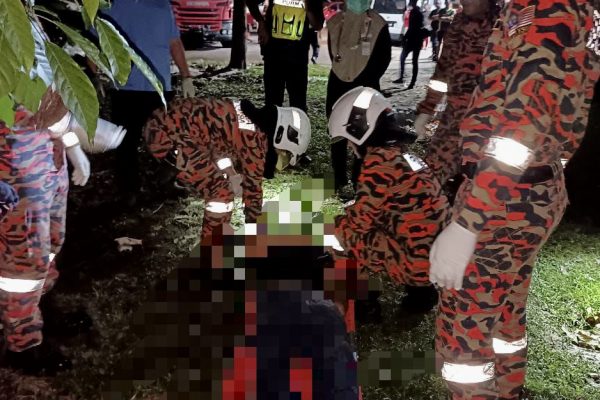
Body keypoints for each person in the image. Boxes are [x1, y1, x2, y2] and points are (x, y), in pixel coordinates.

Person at [429, 0, 600, 398]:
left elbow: (522, 126)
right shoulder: (561, 8)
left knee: (465, 337)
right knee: (505, 313)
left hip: (504, 198)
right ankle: (509, 389)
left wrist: (469, 222)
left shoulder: (548, 8)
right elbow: (570, 112)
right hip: (525, 189)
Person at [329, 87, 450, 317]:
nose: (350, 148)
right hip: (436, 256)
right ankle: (421, 294)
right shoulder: (403, 155)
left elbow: (359, 224)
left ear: (359, 130)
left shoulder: (379, 164)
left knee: (341, 234)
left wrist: (338, 222)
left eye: (349, 140)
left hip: (417, 263)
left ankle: (364, 302)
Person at [0, 90, 91, 375]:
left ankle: (40, 311)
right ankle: (22, 343)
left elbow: (56, 101)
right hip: (16, 169)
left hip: (51, 161)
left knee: (49, 248)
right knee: (22, 268)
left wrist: (73, 147)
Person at [143, 97, 311, 238]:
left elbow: (217, 147)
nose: (280, 161)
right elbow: (253, 192)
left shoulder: (246, 117)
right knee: (221, 193)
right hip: (168, 137)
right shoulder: (257, 140)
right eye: (284, 155)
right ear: (281, 135)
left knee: (219, 180)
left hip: (160, 126)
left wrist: (230, 173)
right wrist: (256, 228)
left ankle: (155, 180)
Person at [98, 0, 196, 208]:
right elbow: (175, 43)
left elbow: (96, 44)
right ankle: (154, 184)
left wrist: (97, 76)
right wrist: (186, 76)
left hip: (131, 88)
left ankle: (133, 189)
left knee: (128, 143)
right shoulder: (157, 6)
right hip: (152, 87)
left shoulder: (112, 7)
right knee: (162, 138)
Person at [414, 0, 499, 202]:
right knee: (428, 181)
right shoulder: (458, 22)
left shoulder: (504, 24)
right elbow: (443, 71)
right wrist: (426, 110)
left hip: (488, 125)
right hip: (453, 120)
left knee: (478, 192)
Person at [326, 0, 392, 193]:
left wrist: (366, 79)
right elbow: (334, 54)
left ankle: (358, 179)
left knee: (364, 131)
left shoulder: (378, 24)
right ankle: (339, 178)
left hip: (365, 86)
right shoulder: (335, 22)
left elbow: (383, 58)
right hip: (338, 84)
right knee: (337, 129)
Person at [247, 0, 325, 111]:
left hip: (298, 59)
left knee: (298, 106)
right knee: (272, 106)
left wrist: (307, 5)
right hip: (273, 56)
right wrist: (261, 22)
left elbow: (318, 25)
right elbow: (250, 2)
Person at [393, 0, 425, 89]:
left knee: (407, 59)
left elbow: (412, 27)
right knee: (413, 61)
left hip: (412, 39)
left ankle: (405, 79)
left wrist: (405, 37)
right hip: (416, 39)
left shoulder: (415, 13)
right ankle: (411, 81)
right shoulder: (418, 13)